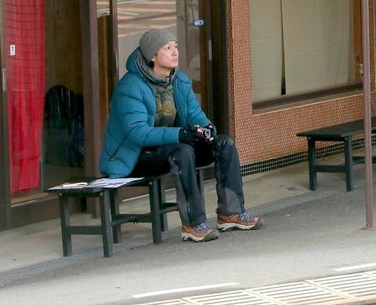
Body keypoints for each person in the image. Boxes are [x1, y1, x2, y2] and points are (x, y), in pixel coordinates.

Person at [99, 28, 263, 242]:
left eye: (175, 46)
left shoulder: (179, 81)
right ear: (152, 56)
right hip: (136, 156)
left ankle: (230, 213)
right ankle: (193, 224)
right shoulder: (130, 87)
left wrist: (207, 131)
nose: (175, 51)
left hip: (170, 146)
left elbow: (196, 115)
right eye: (167, 48)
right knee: (183, 151)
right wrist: (181, 134)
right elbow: (138, 133)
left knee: (225, 143)